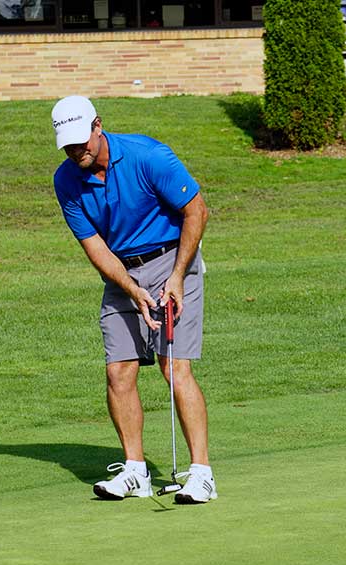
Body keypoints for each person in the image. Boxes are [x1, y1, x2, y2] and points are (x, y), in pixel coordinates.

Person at [50, 95, 216, 504]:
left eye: (82, 141)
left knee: (173, 367)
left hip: (172, 260)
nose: (78, 151)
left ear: (98, 126)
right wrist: (131, 289)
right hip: (122, 273)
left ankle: (201, 473)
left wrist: (177, 276)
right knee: (119, 372)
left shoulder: (147, 156)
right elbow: (96, 248)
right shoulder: (66, 180)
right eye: (68, 146)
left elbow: (197, 211)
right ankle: (135, 472)